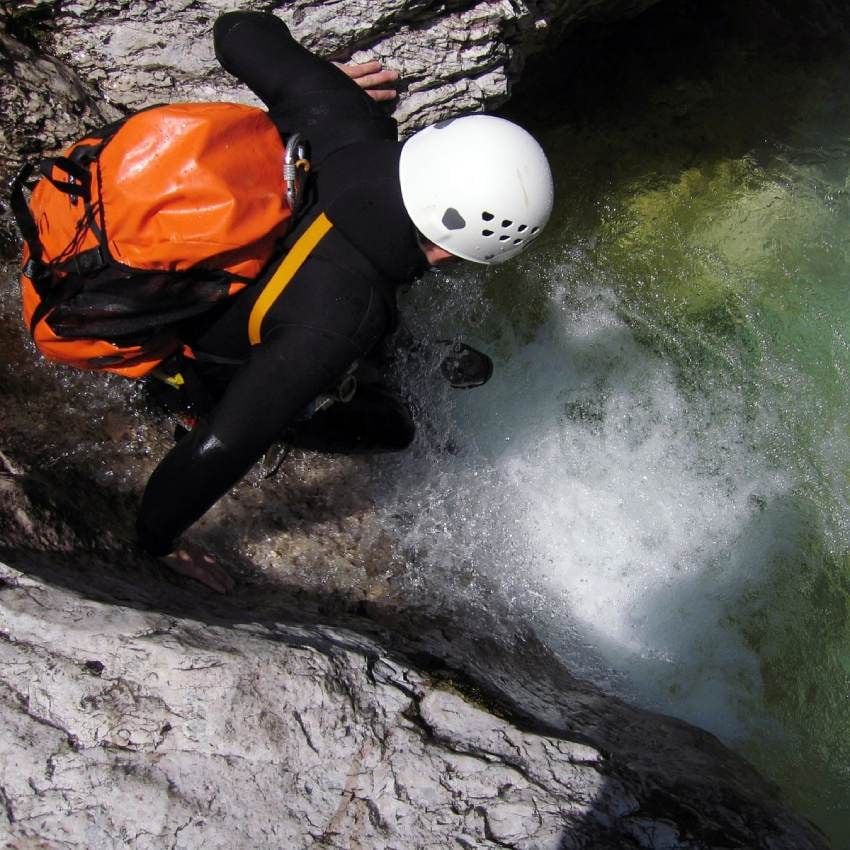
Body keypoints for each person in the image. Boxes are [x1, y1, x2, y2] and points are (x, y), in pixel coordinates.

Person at [139, 10, 554, 592]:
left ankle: (399, 357)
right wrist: (156, 542)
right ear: (461, 249)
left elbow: (236, 29)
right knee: (394, 427)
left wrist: (321, 80)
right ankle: (180, 396)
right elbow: (227, 444)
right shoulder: (339, 321)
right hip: (197, 344)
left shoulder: (342, 113)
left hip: (171, 257)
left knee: (354, 326)